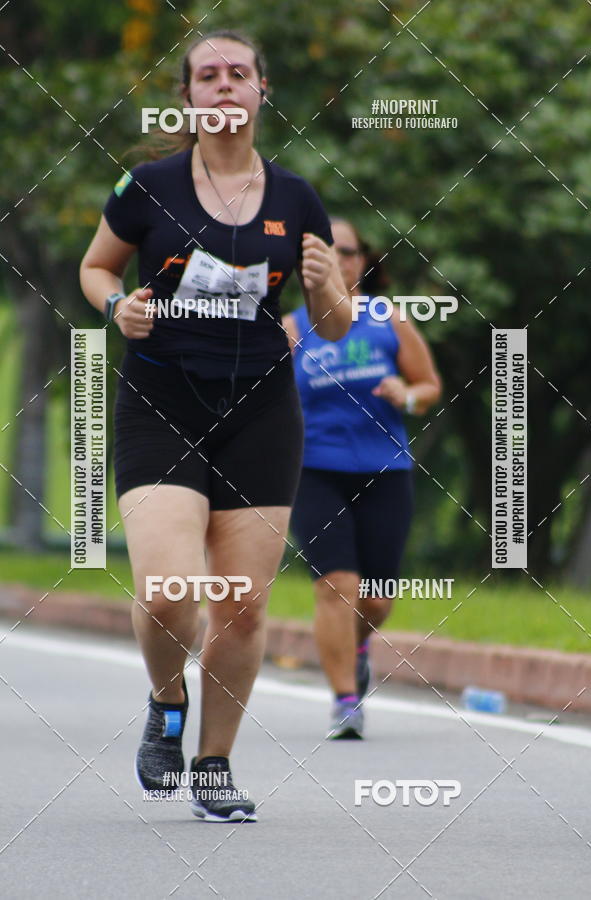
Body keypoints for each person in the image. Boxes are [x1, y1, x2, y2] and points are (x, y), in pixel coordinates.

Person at [80, 30, 351, 822]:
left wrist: (328, 286)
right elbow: (98, 267)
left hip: (261, 410)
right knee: (169, 593)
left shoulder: (298, 198)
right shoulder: (148, 185)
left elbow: (330, 328)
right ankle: (168, 707)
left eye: (239, 74)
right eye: (209, 75)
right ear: (189, 96)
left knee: (242, 607)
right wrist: (115, 307)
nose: (225, 86)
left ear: (263, 90)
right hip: (162, 402)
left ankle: (215, 763)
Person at [283, 219, 442, 739]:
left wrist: (408, 394)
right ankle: (345, 699)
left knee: (374, 599)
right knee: (336, 586)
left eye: (348, 251)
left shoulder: (387, 319)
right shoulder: (290, 327)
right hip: (314, 471)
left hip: (384, 469)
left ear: (362, 261)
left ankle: (356, 647)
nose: (340, 260)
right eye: (329, 251)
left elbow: (429, 386)